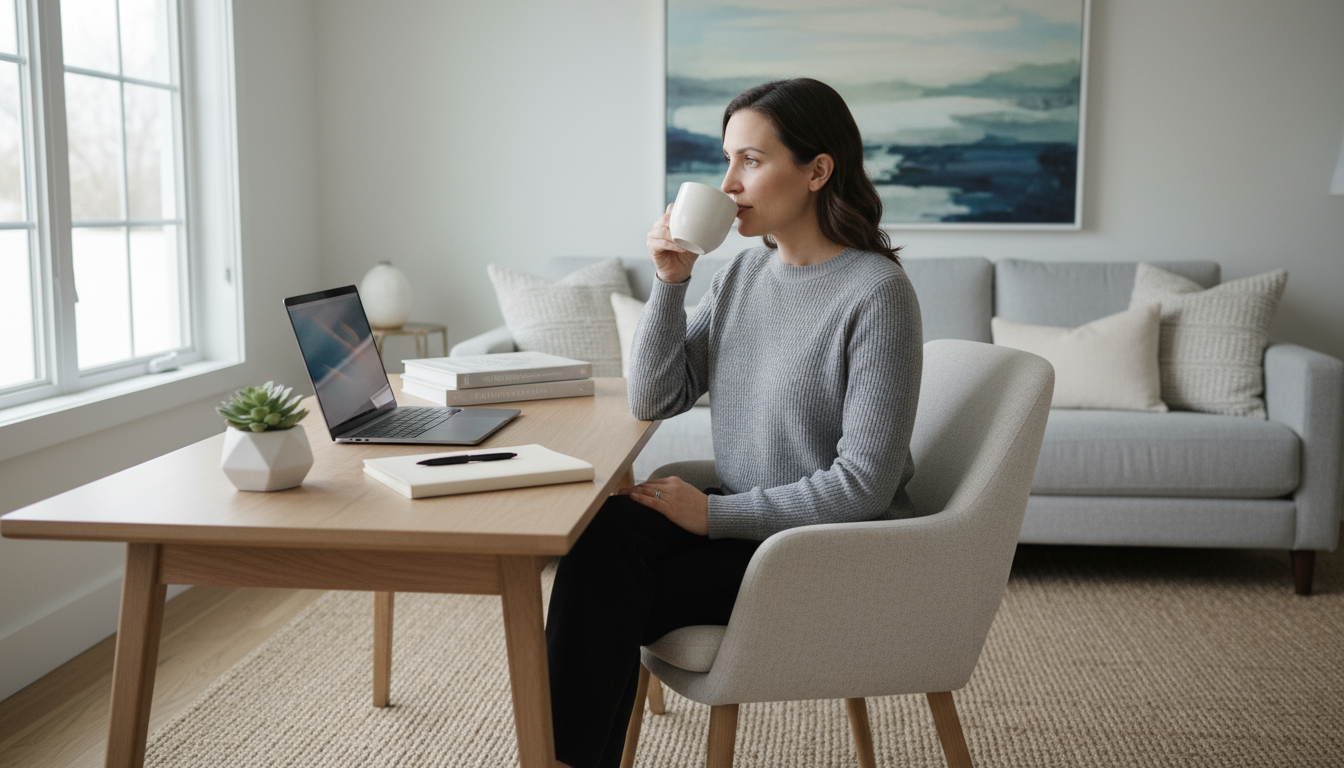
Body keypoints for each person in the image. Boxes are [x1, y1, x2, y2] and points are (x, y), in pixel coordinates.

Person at [545, 78, 923, 768]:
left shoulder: (877, 294)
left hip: (823, 550)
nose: (728, 184)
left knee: (608, 596)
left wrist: (712, 519)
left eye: (750, 161)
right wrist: (669, 280)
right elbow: (655, 398)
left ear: (816, 171)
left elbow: (865, 487)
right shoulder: (747, 275)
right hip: (750, 522)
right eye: (726, 161)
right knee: (599, 537)